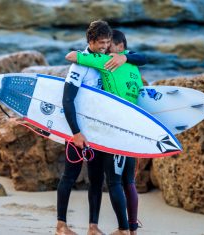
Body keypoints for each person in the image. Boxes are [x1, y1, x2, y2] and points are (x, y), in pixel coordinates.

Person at [65, 29, 146, 235]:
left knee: (114, 181)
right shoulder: (135, 67)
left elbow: (72, 56)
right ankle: (133, 229)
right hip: (132, 127)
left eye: (109, 47)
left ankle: (122, 229)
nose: (105, 51)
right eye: (103, 45)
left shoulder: (106, 62)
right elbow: (143, 58)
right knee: (129, 181)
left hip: (115, 128)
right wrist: (126, 57)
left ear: (118, 47)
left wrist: (112, 57)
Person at [56, 20, 114, 235]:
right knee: (69, 176)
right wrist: (75, 133)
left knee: (97, 179)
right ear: (90, 41)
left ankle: (93, 227)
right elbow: (67, 100)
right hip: (78, 130)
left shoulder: (104, 62)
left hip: (98, 131)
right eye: (101, 42)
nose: (104, 46)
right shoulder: (79, 66)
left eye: (107, 42)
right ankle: (61, 226)